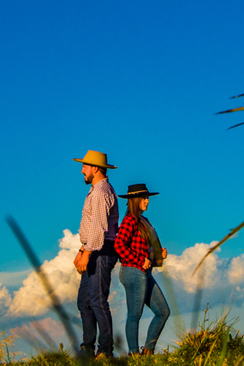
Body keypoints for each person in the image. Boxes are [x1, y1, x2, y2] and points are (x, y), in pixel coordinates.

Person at [73, 149, 120, 359]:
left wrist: (87, 252)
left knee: (98, 301)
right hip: (94, 250)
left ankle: (105, 350)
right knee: (84, 301)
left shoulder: (101, 192)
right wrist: (82, 249)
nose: (82, 170)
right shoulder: (96, 190)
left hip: (101, 251)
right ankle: (88, 348)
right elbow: (93, 228)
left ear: (95, 168)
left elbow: (99, 228)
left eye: (84, 166)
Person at [113, 183, 170, 356]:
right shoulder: (130, 219)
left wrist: (157, 253)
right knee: (134, 315)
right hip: (132, 271)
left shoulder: (144, 221)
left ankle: (148, 351)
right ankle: (134, 354)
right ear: (136, 200)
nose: (147, 201)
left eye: (148, 198)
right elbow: (119, 245)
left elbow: (145, 249)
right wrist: (140, 259)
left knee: (163, 312)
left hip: (145, 272)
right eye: (144, 198)